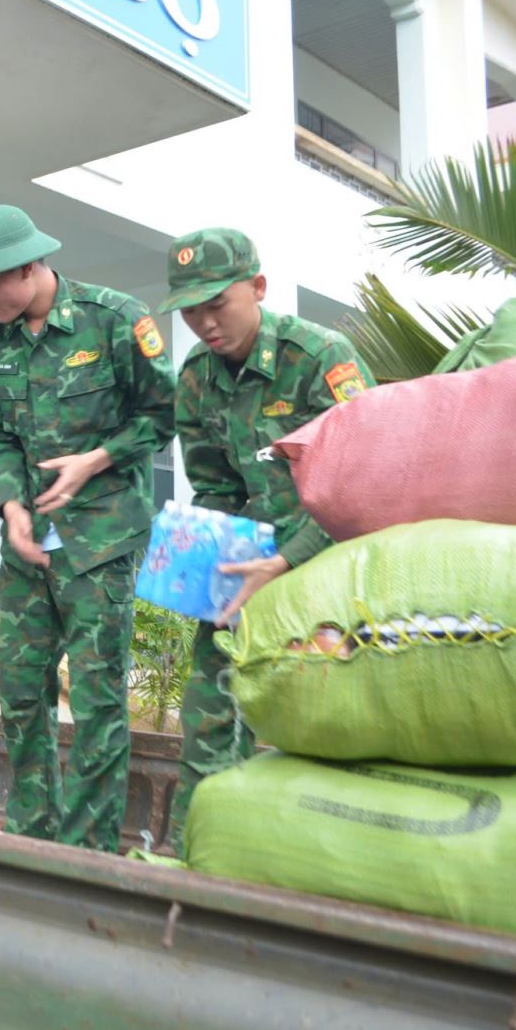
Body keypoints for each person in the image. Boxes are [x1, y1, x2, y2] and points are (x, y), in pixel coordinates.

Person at [0, 203, 176, 852]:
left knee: (99, 701)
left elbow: (163, 414)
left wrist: (96, 459)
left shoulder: (114, 318)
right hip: (29, 539)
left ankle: (87, 851)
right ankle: (33, 836)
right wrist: (13, 507)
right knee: (21, 690)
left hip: (102, 539)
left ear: (28, 264)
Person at [158, 227, 375, 851]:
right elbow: (215, 485)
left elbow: (363, 478)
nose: (204, 322)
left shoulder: (319, 356)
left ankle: (324, 861)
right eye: (191, 309)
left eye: (216, 303)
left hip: (329, 559)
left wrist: (287, 560)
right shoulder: (196, 377)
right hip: (248, 567)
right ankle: (195, 857)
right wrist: (211, 565)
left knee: (328, 714)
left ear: (257, 287)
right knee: (209, 710)